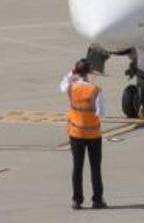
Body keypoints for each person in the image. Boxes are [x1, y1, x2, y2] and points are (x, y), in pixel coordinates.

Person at [61, 58, 106, 210]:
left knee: (77, 167)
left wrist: (71, 72)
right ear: (90, 72)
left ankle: (77, 200)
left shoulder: (71, 87)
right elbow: (101, 113)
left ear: (77, 71)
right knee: (95, 168)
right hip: (93, 134)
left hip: (76, 134)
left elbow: (62, 85)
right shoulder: (95, 89)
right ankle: (97, 200)